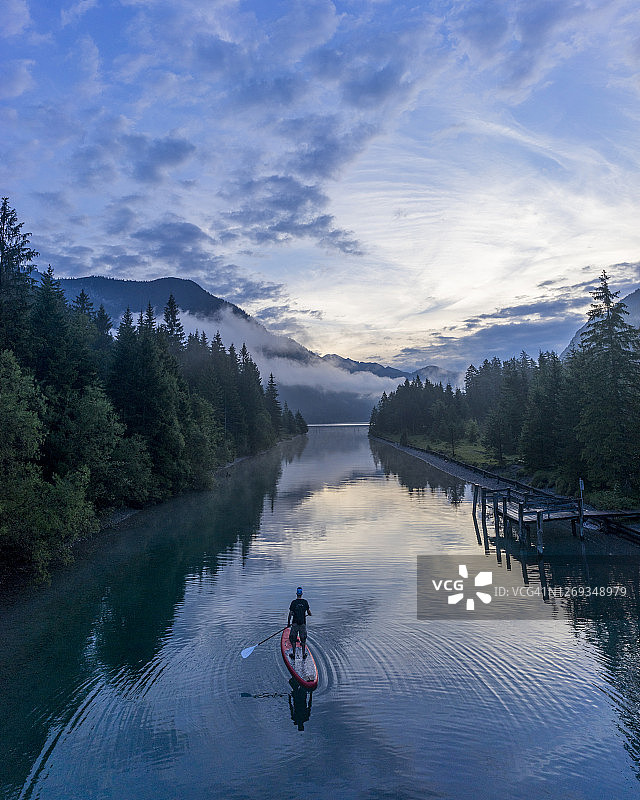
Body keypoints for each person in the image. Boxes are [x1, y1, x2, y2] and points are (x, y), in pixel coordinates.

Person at [288, 586, 311, 661]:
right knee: (303, 640)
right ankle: (304, 654)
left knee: (293, 639)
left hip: (295, 624)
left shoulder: (293, 602)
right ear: (302, 594)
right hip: (302, 624)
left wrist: (288, 623)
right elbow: (309, 612)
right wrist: (310, 614)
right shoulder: (305, 602)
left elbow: (290, 613)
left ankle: (294, 654)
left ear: (296, 594)